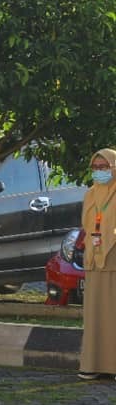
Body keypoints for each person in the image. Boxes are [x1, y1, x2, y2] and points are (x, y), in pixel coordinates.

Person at [80, 149, 116, 379]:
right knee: (94, 314)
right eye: (96, 167)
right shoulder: (90, 194)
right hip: (93, 258)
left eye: (105, 167)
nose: (99, 171)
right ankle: (91, 364)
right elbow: (87, 225)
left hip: (114, 256)